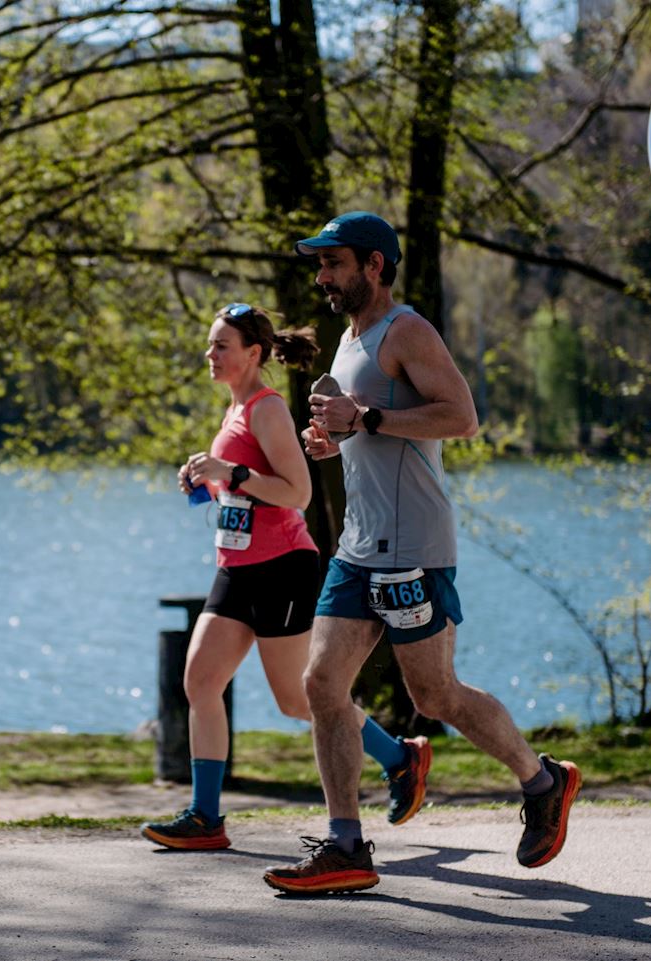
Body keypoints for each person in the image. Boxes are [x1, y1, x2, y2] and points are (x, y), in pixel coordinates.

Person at [261, 212, 581, 894]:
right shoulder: (350, 341)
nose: (321, 276)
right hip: (358, 546)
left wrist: (368, 419)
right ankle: (346, 843)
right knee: (321, 685)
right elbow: (368, 429)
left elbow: (461, 417)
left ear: (374, 264)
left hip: (413, 547)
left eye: (334, 263)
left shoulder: (406, 331)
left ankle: (543, 780)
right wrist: (338, 438)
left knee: (434, 694)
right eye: (318, 265)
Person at [140, 302, 432, 851]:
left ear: (253, 354)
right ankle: (206, 817)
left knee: (299, 702)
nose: (210, 354)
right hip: (236, 570)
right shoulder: (235, 410)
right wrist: (208, 482)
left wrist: (232, 472)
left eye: (221, 346)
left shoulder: (267, 408)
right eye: (210, 345)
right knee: (200, 682)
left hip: (281, 569)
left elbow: (295, 493)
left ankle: (400, 757)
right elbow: (247, 487)